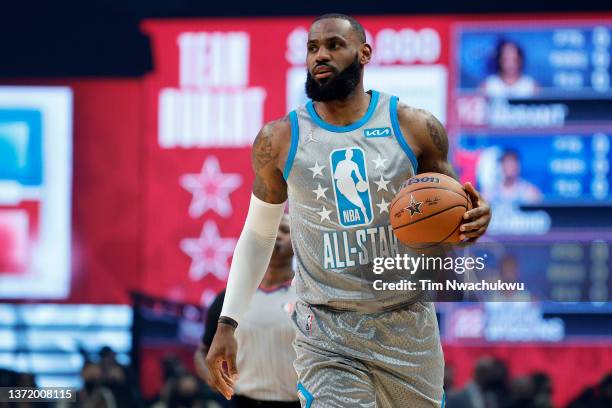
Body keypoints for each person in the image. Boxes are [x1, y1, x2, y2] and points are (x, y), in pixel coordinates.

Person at [206, 13, 491, 407]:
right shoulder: (280, 139)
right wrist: (227, 322)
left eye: (333, 46)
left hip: (405, 320)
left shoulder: (414, 126)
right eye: (312, 48)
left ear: (364, 53)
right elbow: (257, 235)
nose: (320, 55)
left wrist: (473, 221)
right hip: (326, 328)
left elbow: (458, 213)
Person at [195, 215, 299, 407]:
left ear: (298, 240)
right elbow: (202, 351)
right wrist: (213, 378)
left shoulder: (309, 296)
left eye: (284, 230)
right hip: (242, 402)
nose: (276, 235)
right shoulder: (230, 297)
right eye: (270, 230)